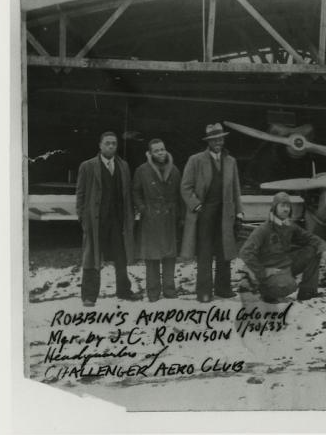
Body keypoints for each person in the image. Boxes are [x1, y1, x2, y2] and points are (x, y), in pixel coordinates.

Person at [76, 131, 141, 306]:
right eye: (107, 143)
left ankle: (124, 291)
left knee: (121, 257)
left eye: (114, 143)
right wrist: (83, 219)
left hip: (117, 222)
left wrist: (128, 218)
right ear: (100, 145)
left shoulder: (123, 166)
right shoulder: (87, 166)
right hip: (96, 222)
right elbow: (80, 195)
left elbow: (126, 194)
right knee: (92, 258)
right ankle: (89, 296)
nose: (111, 146)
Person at [180, 123, 244, 302]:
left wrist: (239, 212)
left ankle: (223, 289)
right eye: (214, 139)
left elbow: (236, 189)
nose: (218, 142)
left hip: (225, 213)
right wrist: (197, 206)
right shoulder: (196, 160)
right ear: (208, 142)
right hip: (205, 213)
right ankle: (204, 292)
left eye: (221, 139)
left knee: (225, 251)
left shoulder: (231, 161)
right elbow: (185, 187)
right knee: (205, 252)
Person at [239, 192, 326, 303]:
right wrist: (262, 272)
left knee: (313, 250)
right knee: (289, 286)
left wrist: (324, 249)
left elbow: (311, 238)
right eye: (282, 206)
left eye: (288, 206)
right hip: (272, 269)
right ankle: (264, 290)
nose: (286, 209)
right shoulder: (264, 229)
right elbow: (245, 252)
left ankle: (308, 292)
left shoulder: (289, 226)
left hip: (286, 264)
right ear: (274, 208)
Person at [132, 139, 183, 302]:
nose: (161, 153)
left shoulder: (174, 170)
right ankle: (153, 291)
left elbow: (180, 194)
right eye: (156, 151)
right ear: (150, 153)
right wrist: (142, 208)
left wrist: (179, 215)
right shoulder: (142, 170)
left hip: (169, 217)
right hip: (151, 217)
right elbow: (136, 192)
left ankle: (169, 289)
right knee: (151, 256)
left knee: (170, 255)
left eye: (163, 149)